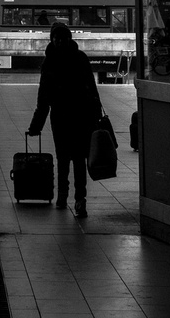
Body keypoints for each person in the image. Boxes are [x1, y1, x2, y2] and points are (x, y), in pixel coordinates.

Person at [27, 21, 102, 217]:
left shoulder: (49, 62)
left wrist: (37, 124)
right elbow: (92, 89)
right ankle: (76, 198)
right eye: (58, 38)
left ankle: (69, 197)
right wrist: (36, 125)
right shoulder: (80, 58)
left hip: (65, 116)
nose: (61, 42)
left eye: (63, 38)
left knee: (67, 157)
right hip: (78, 115)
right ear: (53, 39)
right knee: (76, 158)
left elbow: (44, 97)